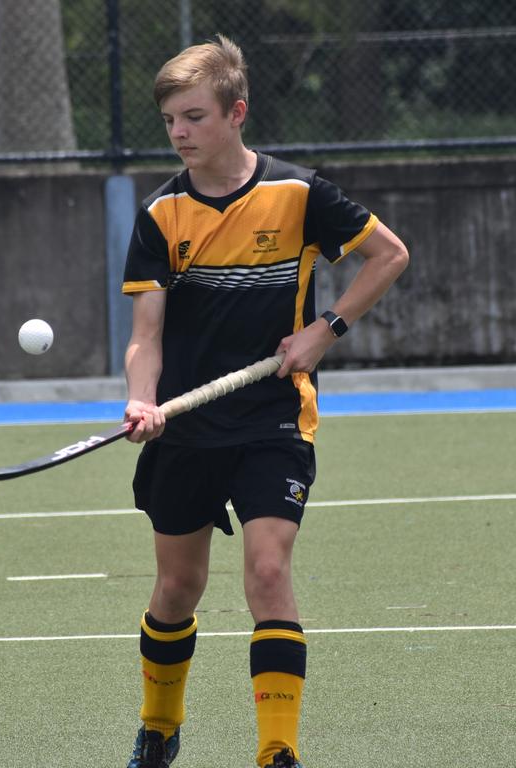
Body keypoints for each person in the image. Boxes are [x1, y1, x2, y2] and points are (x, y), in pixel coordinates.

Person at [120, 35, 409, 768]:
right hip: (186, 423)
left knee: (269, 573)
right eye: (169, 122)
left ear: (236, 112)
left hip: (273, 416)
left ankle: (277, 753)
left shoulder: (300, 194)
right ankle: (159, 729)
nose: (180, 133)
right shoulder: (160, 215)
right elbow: (145, 336)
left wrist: (326, 328)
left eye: (193, 117)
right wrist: (141, 401)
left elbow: (390, 255)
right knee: (178, 587)